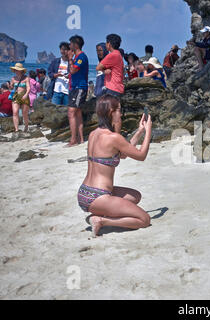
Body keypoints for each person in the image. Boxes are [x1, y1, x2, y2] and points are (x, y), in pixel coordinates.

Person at [77, 94, 152, 237]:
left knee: (135, 197)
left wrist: (140, 131)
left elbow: (123, 153)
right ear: (111, 112)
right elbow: (141, 156)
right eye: (119, 110)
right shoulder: (113, 138)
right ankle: (101, 220)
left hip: (84, 193)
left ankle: (102, 212)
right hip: (99, 196)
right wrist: (148, 131)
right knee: (144, 219)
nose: (121, 113)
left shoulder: (94, 134)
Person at [67, 34, 89, 147]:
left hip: (79, 88)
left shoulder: (81, 57)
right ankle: (80, 139)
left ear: (75, 44)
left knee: (71, 112)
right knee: (78, 113)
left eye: (70, 43)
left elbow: (73, 70)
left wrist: (70, 59)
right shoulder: (77, 57)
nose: (69, 46)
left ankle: (73, 140)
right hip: (75, 87)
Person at [9, 63, 30, 132]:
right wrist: (10, 86)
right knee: (15, 112)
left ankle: (26, 125)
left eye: (17, 70)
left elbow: (28, 88)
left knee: (24, 113)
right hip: (16, 96)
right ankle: (16, 129)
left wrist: (26, 94)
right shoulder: (13, 78)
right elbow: (11, 88)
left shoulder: (26, 78)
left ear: (21, 70)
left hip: (24, 96)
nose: (16, 71)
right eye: (15, 70)